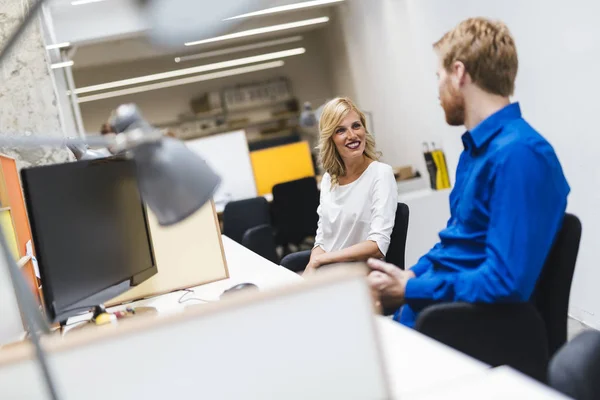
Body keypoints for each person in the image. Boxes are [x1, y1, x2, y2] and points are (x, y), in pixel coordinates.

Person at [367, 17, 570, 328]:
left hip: (466, 329)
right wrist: (410, 276)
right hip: (434, 317)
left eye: (439, 76)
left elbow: (504, 282)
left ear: (458, 73)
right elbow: (457, 244)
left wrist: (411, 289)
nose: (437, 91)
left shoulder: (520, 155)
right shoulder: (475, 154)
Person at [300, 97, 398, 274]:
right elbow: (323, 238)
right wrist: (312, 265)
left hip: (360, 275)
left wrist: (321, 261)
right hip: (331, 272)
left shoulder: (380, 174)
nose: (352, 135)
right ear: (331, 139)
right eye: (341, 130)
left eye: (356, 126)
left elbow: (377, 246)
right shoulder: (329, 179)